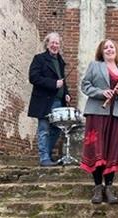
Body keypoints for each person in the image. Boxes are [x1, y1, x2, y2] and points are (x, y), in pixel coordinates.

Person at [80, 39, 118, 204]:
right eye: (106, 47)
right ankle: (98, 187)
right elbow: (85, 86)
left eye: (112, 47)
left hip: (116, 116)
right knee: (97, 150)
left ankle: (109, 187)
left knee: (112, 151)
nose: (109, 49)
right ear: (101, 51)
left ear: (116, 51)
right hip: (97, 113)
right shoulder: (95, 66)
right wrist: (101, 92)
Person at [27, 32, 71, 167]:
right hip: (44, 100)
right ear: (47, 44)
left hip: (58, 101)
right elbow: (33, 77)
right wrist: (53, 84)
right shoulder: (39, 59)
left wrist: (66, 93)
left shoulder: (60, 61)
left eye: (57, 43)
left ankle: (47, 155)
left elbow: (62, 81)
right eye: (52, 43)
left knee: (57, 129)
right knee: (44, 129)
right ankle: (44, 158)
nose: (55, 45)